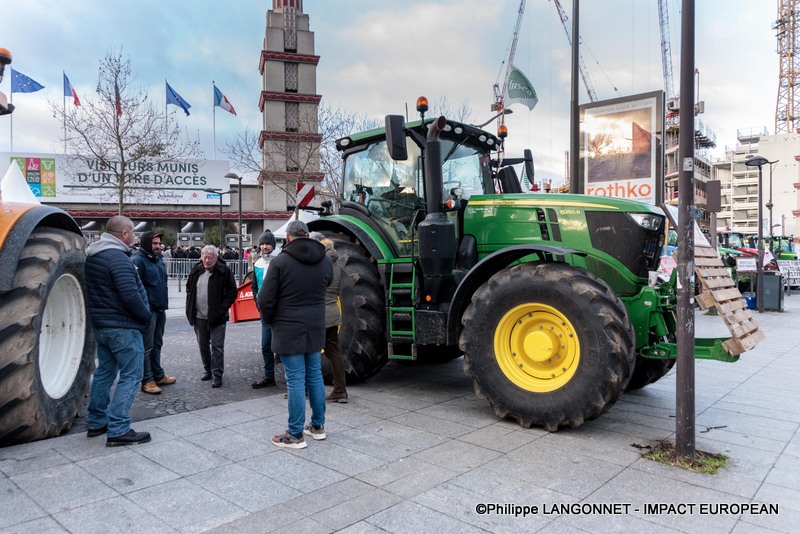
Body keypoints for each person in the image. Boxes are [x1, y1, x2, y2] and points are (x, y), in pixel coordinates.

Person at [259, 220, 332, 449]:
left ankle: (294, 433)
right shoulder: (325, 260)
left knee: (296, 380)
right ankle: (317, 426)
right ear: (308, 236)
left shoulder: (280, 262)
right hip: (315, 326)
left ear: (288, 238)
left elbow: (264, 299)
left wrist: (270, 320)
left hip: (288, 328)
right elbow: (327, 282)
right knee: (315, 376)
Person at [85, 215, 152, 446]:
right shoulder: (119, 259)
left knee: (104, 372)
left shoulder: (95, 255)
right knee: (131, 376)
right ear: (124, 233)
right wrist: (146, 316)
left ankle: (96, 422)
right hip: (123, 327)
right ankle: (118, 428)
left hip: (102, 326)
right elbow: (129, 295)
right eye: (133, 231)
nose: (134, 236)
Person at [185, 245, 237, 388]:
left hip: (217, 316)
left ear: (216, 257)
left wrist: (222, 308)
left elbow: (232, 292)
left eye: (210, 258)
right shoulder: (196, 270)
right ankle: (207, 370)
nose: (207, 260)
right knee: (203, 345)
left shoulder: (223, 271)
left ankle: (217, 374)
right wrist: (189, 306)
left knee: (217, 346)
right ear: (201, 257)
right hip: (199, 316)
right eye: (205, 257)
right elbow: (189, 289)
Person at [132, 231, 177, 395]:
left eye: (159, 243)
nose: (158, 246)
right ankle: (147, 380)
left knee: (157, 344)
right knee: (147, 347)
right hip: (148, 311)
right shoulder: (138, 260)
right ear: (145, 243)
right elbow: (135, 288)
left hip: (159, 309)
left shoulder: (157, 259)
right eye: (154, 244)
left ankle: (158, 375)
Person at [311, 233, 348, 403]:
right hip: (333, 311)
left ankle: (306, 388)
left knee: (309, 352)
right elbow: (338, 289)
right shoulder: (338, 265)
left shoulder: (318, 263)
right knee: (334, 352)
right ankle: (340, 391)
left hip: (318, 314)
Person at [251, 229, 278, 389]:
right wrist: (258, 302)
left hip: (279, 312)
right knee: (266, 346)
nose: (265, 246)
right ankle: (269, 376)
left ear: (273, 246)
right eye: (262, 243)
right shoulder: (257, 264)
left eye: (268, 244)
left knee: (283, 347)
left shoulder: (279, 261)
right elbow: (255, 287)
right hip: (265, 313)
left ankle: (293, 380)